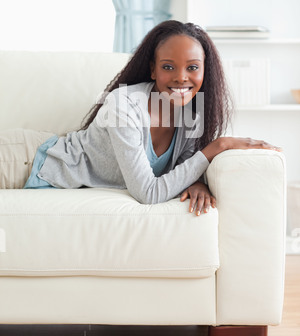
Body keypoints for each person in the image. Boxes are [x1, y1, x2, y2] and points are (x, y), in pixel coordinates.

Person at [14, 21, 282, 215]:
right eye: (168, 67)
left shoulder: (192, 113)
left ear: (204, 71)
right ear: (153, 70)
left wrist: (197, 181)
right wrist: (217, 147)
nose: (181, 77)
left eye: (192, 68)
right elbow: (148, 193)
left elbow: (184, 166)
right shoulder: (124, 104)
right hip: (23, 160)